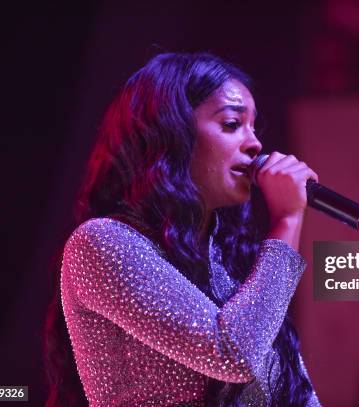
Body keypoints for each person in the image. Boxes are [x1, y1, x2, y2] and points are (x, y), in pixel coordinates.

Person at [44, 52, 321, 406]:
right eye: (232, 124)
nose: (255, 144)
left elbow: (300, 395)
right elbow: (229, 353)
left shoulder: (234, 266)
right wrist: (287, 221)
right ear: (173, 134)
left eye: (254, 127)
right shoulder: (100, 244)